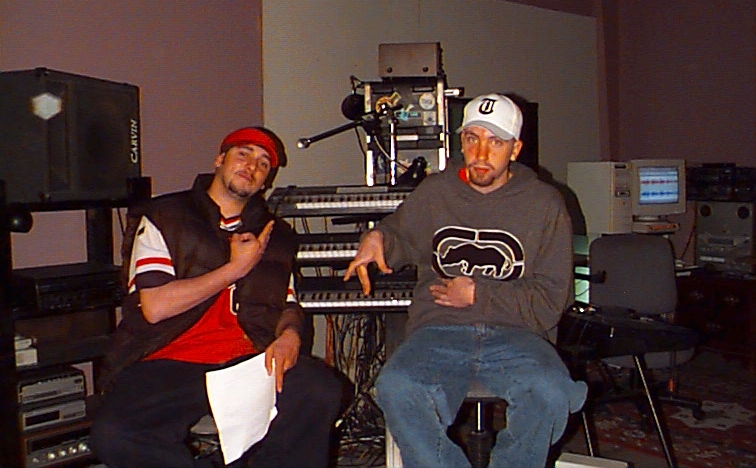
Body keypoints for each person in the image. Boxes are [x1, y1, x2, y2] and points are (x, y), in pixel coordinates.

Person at [344, 94, 587, 468]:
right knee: (396, 386)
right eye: (473, 138)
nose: (481, 153)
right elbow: (400, 236)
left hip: (519, 334)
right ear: (461, 141)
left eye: (495, 142)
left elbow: (552, 299)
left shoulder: (545, 204)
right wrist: (378, 237)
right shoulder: (436, 192)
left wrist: (478, 294)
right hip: (439, 329)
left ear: (515, 149)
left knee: (551, 392)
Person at [91, 127, 343, 468]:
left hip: (248, 358)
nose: (252, 166)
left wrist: (290, 334)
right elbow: (154, 306)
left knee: (319, 389)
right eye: (244, 154)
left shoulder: (277, 235)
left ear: (266, 181)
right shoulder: (166, 216)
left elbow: (287, 303)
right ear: (219, 160)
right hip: (169, 358)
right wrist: (235, 269)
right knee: (114, 434)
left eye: (263, 163)